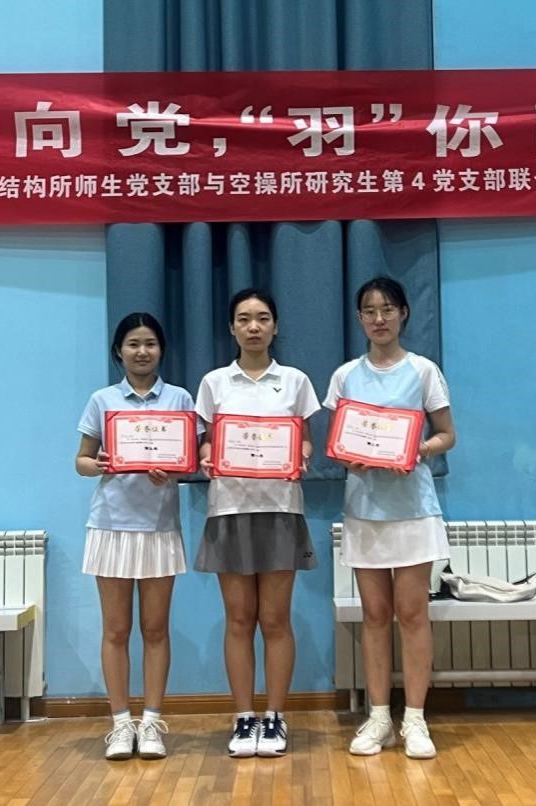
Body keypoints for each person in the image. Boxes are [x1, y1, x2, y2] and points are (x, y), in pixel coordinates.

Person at [323, 276, 456, 759]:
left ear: (403, 314)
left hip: (413, 510)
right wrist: (349, 458)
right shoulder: (344, 376)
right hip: (365, 510)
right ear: (359, 318)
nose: (378, 319)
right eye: (369, 311)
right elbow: (337, 443)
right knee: (375, 615)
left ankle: (415, 719)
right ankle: (379, 717)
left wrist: (418, 451)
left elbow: (447, 434)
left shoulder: (423, 371)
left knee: (413, 614)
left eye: (387, 309)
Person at [194, 288, 321, 758]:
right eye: (244, 319)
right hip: (228, 510)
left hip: (281, 508)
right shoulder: (214, 383)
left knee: (275, 619)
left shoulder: (295, 381)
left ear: (275, 326)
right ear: (231, 327)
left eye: (263, 318)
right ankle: (244, 717)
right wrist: (207, 456)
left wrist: (300, 456)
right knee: (239, 618)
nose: (253, 326)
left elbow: (305, 440)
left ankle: (276, 717)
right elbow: (207, 442)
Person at [75, 312, 197, 761]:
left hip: (159, 528)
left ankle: (151, 723)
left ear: (161, 350)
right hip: (110, 526)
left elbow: (190, 461)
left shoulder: (180, 398)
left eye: (150, 343)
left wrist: (175, 472)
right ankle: (120, 724)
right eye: (133, 344)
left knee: (155, 628)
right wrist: (100, 464)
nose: (142, 351)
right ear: (118, 352)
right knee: (116, 629)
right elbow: (81, 461)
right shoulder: (102, 400)